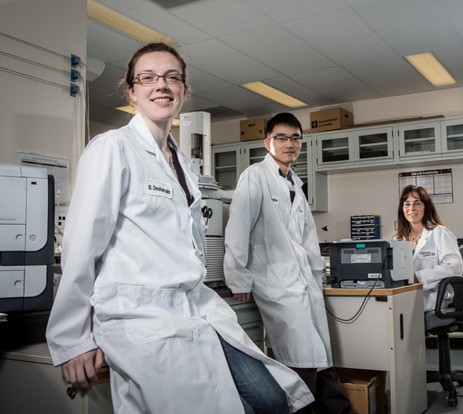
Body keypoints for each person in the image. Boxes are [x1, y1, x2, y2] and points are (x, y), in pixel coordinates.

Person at [45, 42, 314, 414]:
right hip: (142, 314)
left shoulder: (182, 164)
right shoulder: (112, 148)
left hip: (196, 304)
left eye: (173, 78)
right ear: (132, 89)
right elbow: (81, 246)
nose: (162, 86)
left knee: (271, 398)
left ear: (184, 90)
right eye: (149, 78)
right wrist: (72, 338)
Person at [224, 112, 351, 414]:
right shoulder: (255, 176)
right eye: (281, 137)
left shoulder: (295, 182)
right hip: (276, 283)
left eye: (295, 138)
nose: (289, 144)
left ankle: (338, 409)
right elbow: (238, 229)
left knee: (317, 355)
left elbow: (307, 241)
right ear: (268, 142)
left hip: (303, 283)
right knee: (301, 357)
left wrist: (317, 277)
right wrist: (239, 279)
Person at [394, 185, 463, 311]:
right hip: (405, 294)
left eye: (417, 203)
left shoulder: (440, 233)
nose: (411, 208)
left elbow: (455, 266)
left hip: (434, 296)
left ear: (426, 207)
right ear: (402, 209)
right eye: (407, 204)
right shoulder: (397, 240)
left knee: (398, 313)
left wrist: (418, 277)